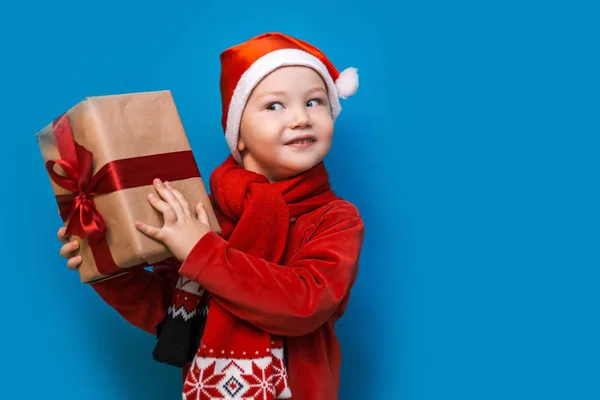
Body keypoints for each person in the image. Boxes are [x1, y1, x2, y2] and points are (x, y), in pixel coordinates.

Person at [57, 32, 364, 400]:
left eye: (314, 102)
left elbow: (304, 303)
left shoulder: (336, 219)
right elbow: (167, 312)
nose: (300, 118)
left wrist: (203, 251)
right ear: (238, 136)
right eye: (275, 106)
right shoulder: (198, 210)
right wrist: (106, 267)